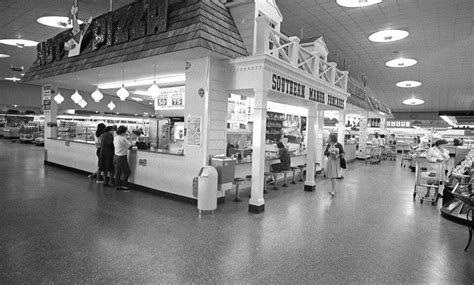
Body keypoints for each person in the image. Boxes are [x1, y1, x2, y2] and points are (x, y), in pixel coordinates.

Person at [114, 125, 132, 190]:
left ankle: (117, 185)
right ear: (123, 132)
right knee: (127, 172)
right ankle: (124, 185)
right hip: (122, 157)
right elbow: (130, 146)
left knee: (118, 172)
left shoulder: (116, 137)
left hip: (116, 156)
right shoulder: (123, 139)